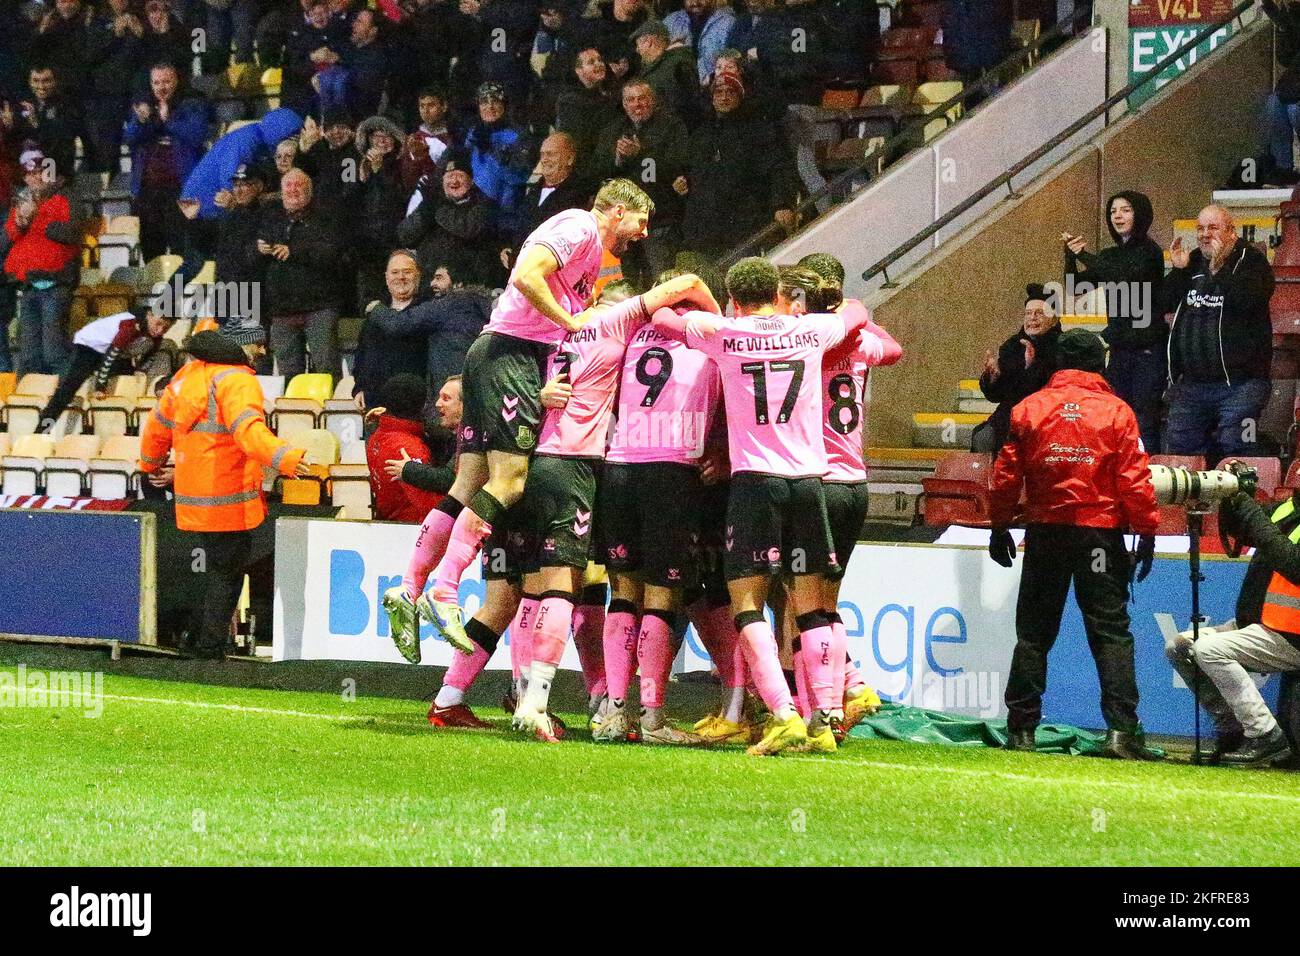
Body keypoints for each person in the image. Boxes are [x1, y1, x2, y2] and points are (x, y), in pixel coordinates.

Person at [383, 179, 653, 664]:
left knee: (470, 481)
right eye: (641, 221)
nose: (644, 232)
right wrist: (569, 323)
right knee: (510, 480)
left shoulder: (589, 254)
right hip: (510, 353)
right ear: (616, 210)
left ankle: (408, 586)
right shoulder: (579, 227)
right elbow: (528, 276)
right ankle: (444, 590)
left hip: (503, 355)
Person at [650, 256, 887, 755]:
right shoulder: (809, 331)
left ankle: (782, 713)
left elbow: (662, 319)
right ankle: (823, 720)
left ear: (735, 298)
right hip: (809, 482)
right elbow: (859, 312)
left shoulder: (725, 333)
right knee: (813, 607)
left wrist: (708, 311)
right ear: (779, 291)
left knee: (748, 604)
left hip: (756, 484)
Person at [987, 329, 1161, 760]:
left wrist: (1000, 525)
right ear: (1099, 364)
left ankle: (1022, 730)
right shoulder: (1118, 413)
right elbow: (1135, 481)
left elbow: (1007, 476)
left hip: (1046, 531)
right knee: (1110, 632)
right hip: (1099, 536)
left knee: (1033, 634)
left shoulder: (1029, 409)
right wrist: (1147, 530)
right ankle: (1121, 732)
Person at [137, 319, 309, 659]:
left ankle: (195, 639)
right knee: (227, 574)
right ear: (241, 345)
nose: (262, 349)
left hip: (190, 498)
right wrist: (286, 458)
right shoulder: (238, 381)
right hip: (228, 498)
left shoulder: (186, 376)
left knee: (212, 570)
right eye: (257, 343)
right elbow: (248, 433)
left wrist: (149, 464)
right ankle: (209, 648)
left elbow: (158, 426)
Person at [1170, 486, 1300, 766]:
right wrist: (1230, 498)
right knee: (1179, 646)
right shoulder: (1286, 508)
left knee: (1209, 649)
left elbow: (1294, 564)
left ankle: (1266, 735)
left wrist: (1251, 513)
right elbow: (1239, 532)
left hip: (1293, 635)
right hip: (1264, 624)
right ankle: (1234, 729)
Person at [1164, 204, 1275, 460]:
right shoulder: (1193, 261)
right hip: (1192, 385)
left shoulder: (1252, 261)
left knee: (1237, 446)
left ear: (1232, 232)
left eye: (1212, 228)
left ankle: (1242, 500)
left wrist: (1218, 271)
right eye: (1200, 228)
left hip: (1241, 384)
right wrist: (1179, 271)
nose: (1204, 234)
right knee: (1180, 451)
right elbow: (1164, 302)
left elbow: (1249, 300)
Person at [1063, 191, 1167, 453]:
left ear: (1140, 214)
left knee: (1144, 420)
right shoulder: (1110, 256)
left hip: (1147, 350)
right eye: (1113, 211)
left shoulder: (1150, 252)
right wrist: (1070, 257)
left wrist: (1084, 254)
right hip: (1120, 350)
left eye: (1125, 210)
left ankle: (1148, 479)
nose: (1118, 216)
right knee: (1115, 417)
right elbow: (1075, 286)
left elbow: (1121, 275)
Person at [362, 258, 493, 407]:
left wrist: (376, 308)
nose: (432, 284)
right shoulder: (484, 306)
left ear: (458, 284)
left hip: (451, 393)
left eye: (439, 278)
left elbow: (399, 323)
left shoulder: (451, 303)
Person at [593, 81, 688, 283]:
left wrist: (641, 154)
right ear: (624, 104)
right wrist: (618, 158)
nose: (637, 104)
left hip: (658, 221)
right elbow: (598, 169)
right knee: (623, 285)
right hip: (622, 225)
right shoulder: (612, 130)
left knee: (660, 282)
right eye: (630, 100)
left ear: (653, 100)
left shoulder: (671, 126)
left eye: (642, 98)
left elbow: (676, 166)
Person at [257, 168, 346, 378]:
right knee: (288, 375)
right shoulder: (271, 217)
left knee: (327, 370)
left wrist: (294, 252)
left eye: (299, 185)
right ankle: (294, 412)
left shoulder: (327, 217)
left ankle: (329, 411)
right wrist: (259, 249)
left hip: (319, 307)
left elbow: (332, 253)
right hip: (281, 310)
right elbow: (250, 257)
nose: (293, 190)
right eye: (288, 185)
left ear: (310, 190)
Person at [4, 149, 81, 376]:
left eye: (39, 172)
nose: (35, 178)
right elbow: (8, 237)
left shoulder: (66, 196)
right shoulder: (21, 201)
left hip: (56, 285)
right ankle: (25, 404)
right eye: (29, 174)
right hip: (29, 286)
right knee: (29, 356)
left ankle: (67, 395)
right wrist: (21, 220)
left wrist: (36, 220)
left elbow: (72, 233)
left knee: (54, 352)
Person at [123, 63, 209, 262]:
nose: (161, 87)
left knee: (183, 249)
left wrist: (167, 120)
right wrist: (142, 121)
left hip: (181, 190)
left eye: (167, 81)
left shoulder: (193, 103)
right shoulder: (143, 107)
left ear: (177, 81)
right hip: (148, 192)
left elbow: (196, 135)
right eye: (156, 82)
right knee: (152, 252)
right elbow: (129, 139)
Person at [39, 306, 175, 430]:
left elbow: (147, 355)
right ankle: (42, 429)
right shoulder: (130, 326)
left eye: (165, 328)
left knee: (129, 376)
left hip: (113, 352)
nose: (159, 331)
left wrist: (139, 368)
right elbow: (110, 355)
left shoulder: (155, 335)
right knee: (68, 390)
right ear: (149, 315)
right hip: (89, 346)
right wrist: (100, 386)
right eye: (158, 324)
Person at [972, 284, 1061, 453]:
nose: (1032, 318)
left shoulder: (1061, 346)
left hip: (1045, 418)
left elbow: (1049, 391)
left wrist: (1031, 366)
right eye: (1028, 313)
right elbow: (996, 396)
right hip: (1010, 416)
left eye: (1039, 313)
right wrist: (993, 378)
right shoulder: (1013, 345)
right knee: (983, 436)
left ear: (1054, 319)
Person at [352, 251, 433, 408]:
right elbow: (361, 356)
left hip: (413, 404)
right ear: (386, 277)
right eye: (395, 272)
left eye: (407, 272)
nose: (400, 277)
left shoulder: (428, 310)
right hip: (374, 402)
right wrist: (359, 388)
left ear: (418, 275)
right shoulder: (374, 313)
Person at [367, 373, 446, 522]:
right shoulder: (410, 449)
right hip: (413, 530)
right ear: (422, 406)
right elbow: (430, 506)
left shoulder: (376, 436)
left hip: (390, 523)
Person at [503, 132, 587, 271]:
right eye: (543, 154)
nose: (545, 159)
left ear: (570, 159)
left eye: (551, 154)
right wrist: (507, 248)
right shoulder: (532, 192)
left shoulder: (580, 195)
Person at [664, 0, 737, 87]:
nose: (695, 2)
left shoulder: (728, 23)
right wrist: (668, 52)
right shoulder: (670, 22)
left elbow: (735, 63)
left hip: (716, 90)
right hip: (677, 89)